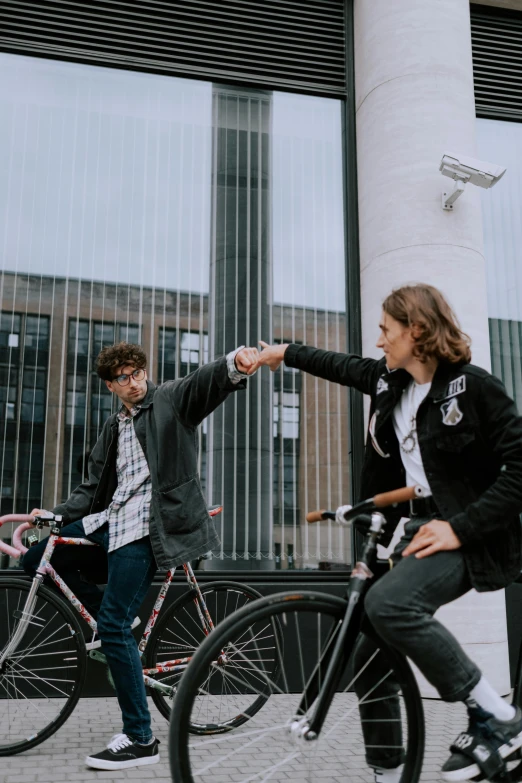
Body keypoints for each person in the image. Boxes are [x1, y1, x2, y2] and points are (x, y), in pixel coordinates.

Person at [256, 283, 522, 783]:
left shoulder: (473, 387)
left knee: (391, 605)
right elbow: (335, 364)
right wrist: (283, 352)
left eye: (385, 330)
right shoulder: (389, 381)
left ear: (416, 330)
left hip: (470, 533)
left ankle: (498, 718)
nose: (379, 341)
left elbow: (520, 468)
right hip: (412, 532)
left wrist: (459, 529)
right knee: (370, 661)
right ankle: (387, 774)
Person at [23, 340, 259, 770]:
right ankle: (114, 621)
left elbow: (201, 385)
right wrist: (54, 515)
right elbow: (91, 489)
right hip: (112, 523)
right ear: (109, 385)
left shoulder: (168, 399)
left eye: (137, 374)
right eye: (123, 378)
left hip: (151, 526)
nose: (134, 383)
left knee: (112, 627)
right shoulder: (114, 427)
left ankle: (140, 737)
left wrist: (235, 366)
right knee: (36, 557)